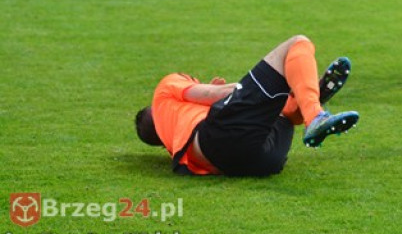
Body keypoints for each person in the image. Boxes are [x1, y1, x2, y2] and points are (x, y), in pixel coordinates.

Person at [134, 35, 359, 176]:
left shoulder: (172, 140)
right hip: (219, 138)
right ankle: (313, 111)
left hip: (256, 162)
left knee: (283, 114)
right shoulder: (165, 90)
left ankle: (302, 102)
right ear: (154, 108)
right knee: (296, 44)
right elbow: (217, 93)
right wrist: (235, 93)